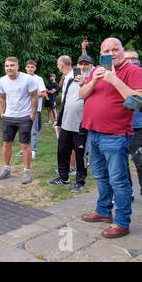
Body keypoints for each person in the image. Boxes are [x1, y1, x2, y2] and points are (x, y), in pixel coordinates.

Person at [79, 38, 142, 239]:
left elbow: (137, 104)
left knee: (119, 181)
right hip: (93, 133)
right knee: (100, 176)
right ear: (101, 52)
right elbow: (82, 94)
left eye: (115, 49)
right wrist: (96, 79)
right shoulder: (97, 69)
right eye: (106, 50)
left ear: (123, 51)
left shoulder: (134, 72)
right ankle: (103, 211)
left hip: (115, 136)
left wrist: (114, 79)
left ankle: (122, 222)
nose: (111, 53)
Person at [49, 55, 92, 192]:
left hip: (81, 125)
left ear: (91, 66)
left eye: (86, 64)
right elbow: (66, 99)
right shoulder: (71, 79)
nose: (83, 67)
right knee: (62, 151)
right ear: (77, 65)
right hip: (66, 123)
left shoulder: (93, 80)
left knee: (80, 155)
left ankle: (80, 181)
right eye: (80, 64)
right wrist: (59, 119)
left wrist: (86, 82)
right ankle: (63, 178)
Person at [0, 57, 37, 184]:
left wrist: (33, 113)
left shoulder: (27, 79)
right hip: (9, 117)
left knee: (25, 145)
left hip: (24, 117)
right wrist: (2, 113)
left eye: (12, 65)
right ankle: (6, 169)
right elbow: (1, 97)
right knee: (6, 143)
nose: (9, 68)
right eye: (7, 66)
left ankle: (26, 172)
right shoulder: (2, 80)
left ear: (17, 66)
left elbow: (34, 96)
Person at [125, 50, 142, 196]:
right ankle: (126, 192)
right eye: (127, 59)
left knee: (140, 162)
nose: (130, 61)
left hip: (138, 127)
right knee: (120, 165)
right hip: (120, 128)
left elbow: (135, 103)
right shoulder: (118, 76)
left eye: (133, 58)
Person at [24, 60, 46, 159]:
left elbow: (43, 93)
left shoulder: (38, 79)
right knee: (24, 130)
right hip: (23, 109)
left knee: (34, 130)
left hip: (35, 109)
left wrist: (31, 95)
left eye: (32, 67)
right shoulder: (22, 78)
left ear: (35, 68)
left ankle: (33, 150)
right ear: (25, 68)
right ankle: (24, 149)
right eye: (28, 67)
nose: (30, 68)